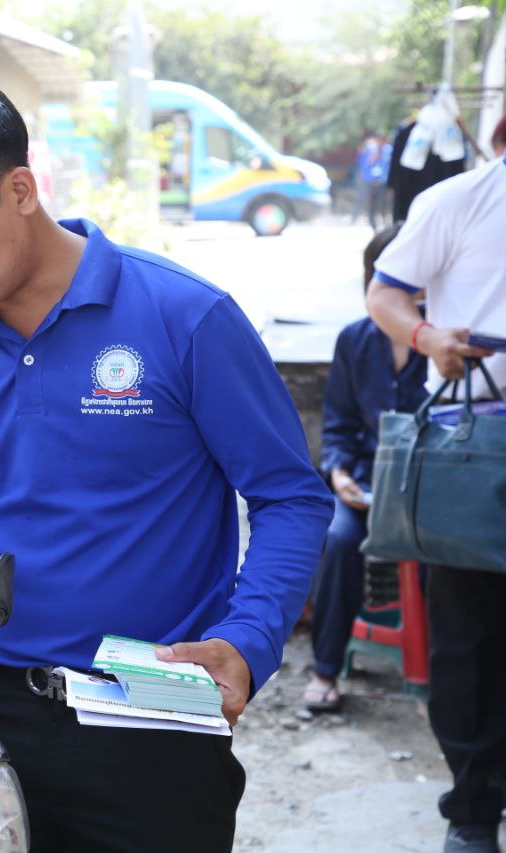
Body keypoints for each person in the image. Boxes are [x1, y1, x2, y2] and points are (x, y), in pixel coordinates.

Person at [0, 76, 334, 851]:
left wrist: (247, 639)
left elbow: (289, 496)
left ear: (20, 190)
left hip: (157, 714)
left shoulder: (185, 317)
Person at [365, 114, 506, 853]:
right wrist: (427, 337)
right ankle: (474, 810)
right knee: (470, 638)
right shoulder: (458, 200)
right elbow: (384, 294)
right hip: (472, 444)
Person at [303, 221, 428, 713]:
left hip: (427, 491)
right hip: (364, 486)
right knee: (337, 540)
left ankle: (440, 671)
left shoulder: (442, 344)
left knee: (444, 559)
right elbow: (338, 424)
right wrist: (339, 474)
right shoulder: (354, 340)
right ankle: (326, 669)